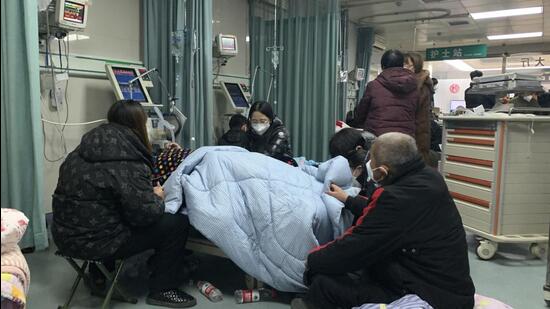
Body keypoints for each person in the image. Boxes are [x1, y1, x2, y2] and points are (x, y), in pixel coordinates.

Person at [292, 132, 475, 309]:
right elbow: (391, 218)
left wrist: (312, 260)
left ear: (383, 171)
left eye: (373, 160)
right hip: (450, 288)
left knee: (324, 283)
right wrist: (348, 200)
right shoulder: (429, 178)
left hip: (428, 295)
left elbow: (355, 247)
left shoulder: (394, 198)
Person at [51, 100, 196, 308]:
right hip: (100, 243)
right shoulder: (128, 161)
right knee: (176, 224)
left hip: (65, 238)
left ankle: (98, 276)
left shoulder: (80, 151)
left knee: (103, 210)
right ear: (138, 124)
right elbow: (145, 215)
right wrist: (157, 197)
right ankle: (162, 289)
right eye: (146, 122)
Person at [350, 49, 419, 137]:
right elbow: (417, 115)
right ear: (402, 65)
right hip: (405, 139)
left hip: (378, 138)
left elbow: (361, 114)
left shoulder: (374, 86)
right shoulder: (413, 86)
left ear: (383, 66)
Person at [404, 52, 433, 165]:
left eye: (408, 65)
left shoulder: (421, 85)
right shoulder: (411, 82)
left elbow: (413, 109)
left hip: (418, 132)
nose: (404, 68)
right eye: (403, 64)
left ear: (416, 66)